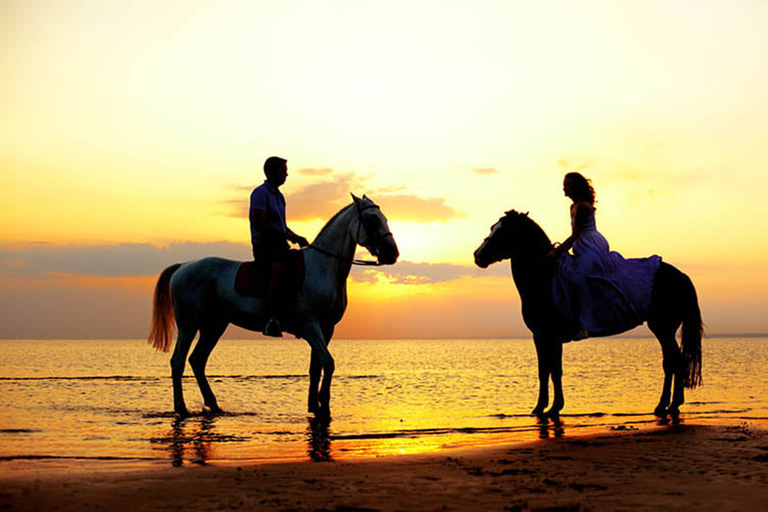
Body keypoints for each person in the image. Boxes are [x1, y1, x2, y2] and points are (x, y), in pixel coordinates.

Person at [549, 172, 661, 340]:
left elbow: (575, 235)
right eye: (564, 184)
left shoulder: (583, 207)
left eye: (568, 184)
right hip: (581, 245)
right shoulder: (572, 207)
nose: (564, 187)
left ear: (577, 187)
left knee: (579, 277)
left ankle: (584, 324)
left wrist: (557, 251)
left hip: (591, 245)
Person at [250, 156, 309, 337]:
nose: (286, 174)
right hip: (265, 246)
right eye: (283, 171)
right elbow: (260, 223)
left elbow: (281, 225)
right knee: (278, 270)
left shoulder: (280, 197)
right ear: (271, 172)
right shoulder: (260, 193)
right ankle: (271, 318)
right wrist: (286, 236)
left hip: (280, 245)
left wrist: (295, 236)